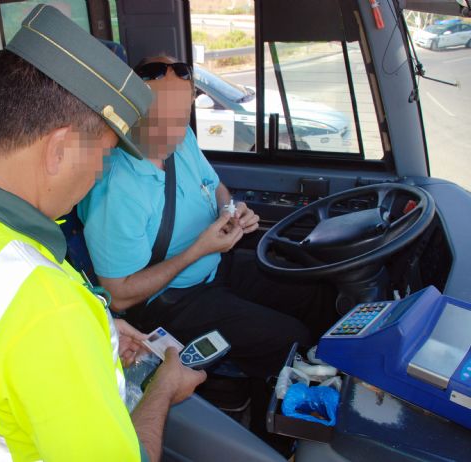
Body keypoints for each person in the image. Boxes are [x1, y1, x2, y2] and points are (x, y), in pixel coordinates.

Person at [0, 7, 205, 462]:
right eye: (104, 154)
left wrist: (99, 332)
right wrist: (164, 389)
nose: (98, 173)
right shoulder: (42, 303)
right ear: (61, 147)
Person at [78, 55, 337, 434]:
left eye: (182, 115)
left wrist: (233, 211)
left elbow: (215, 186)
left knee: (315, 290)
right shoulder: (115, 187)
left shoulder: (182, 141)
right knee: (288, 339)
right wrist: (199, 249)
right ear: (130, 109)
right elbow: (119, 296)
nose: (173, 131)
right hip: (171, 301)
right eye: (160, 118)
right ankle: (274, 435)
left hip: (215, 263)